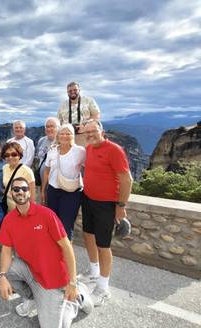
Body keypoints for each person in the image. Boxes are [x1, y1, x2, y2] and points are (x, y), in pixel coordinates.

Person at [0, 177, 93, 327]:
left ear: (30, 192)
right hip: (31, 272)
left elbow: (67, 248)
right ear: (11, 194)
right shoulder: (9, 219)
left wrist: (72, 282)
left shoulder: (46, 215)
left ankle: (77, 297)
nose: (20, 192)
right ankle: (33, 299)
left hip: (53, 281)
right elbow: (6, 250)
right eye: (16, 189)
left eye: (24, 189)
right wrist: (3, 276)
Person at [78, 120, 133, 306]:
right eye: (87, 132)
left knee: (103, 245)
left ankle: (103, 287)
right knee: (87, 235)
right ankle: (93, 272)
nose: (90, 134)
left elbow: (127, 179)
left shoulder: (114, 150)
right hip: (88, 199)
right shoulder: (90, 148)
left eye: (93, 131)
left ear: (102, 131)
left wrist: (121, 205)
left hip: (106, 204)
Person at [41, 124, 85, 240]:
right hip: (53, 191)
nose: (65, 136)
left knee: (66, 225)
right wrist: (43, 190)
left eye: (68, 133)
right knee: (53, 224)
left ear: (73, 136)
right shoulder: (52, 150)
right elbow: (47, 171)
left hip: (71, 193)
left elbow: (89, 169)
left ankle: (66, 256)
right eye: (62, 133)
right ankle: (55, 253)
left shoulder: (80, 151)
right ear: (58, 135)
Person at [57, 82, 101, 146]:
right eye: (70, 91)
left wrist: (85, 125)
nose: (72, 92)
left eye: (75, 90)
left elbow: (96, 115)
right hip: (68, 138)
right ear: (67, 92)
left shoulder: (88, 100)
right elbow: (58, 122)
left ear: (79, 90)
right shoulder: (62, 105)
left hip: (86, 135)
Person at [2, 141, 35, 212]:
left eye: (14, 154)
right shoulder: (4, 168)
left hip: (23, 208)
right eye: (7, 155)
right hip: (9, 207)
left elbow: (32, 197)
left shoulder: (27, 171)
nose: (10, 157)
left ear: (19, 155)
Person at [35, 117, 59, 190]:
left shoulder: (61, 142)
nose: (49, 129)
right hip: (42, 182)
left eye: (52, 126)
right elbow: (38, 158)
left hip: (55, 184)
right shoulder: (41, 141)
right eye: (47, 126)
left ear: (58, 128)